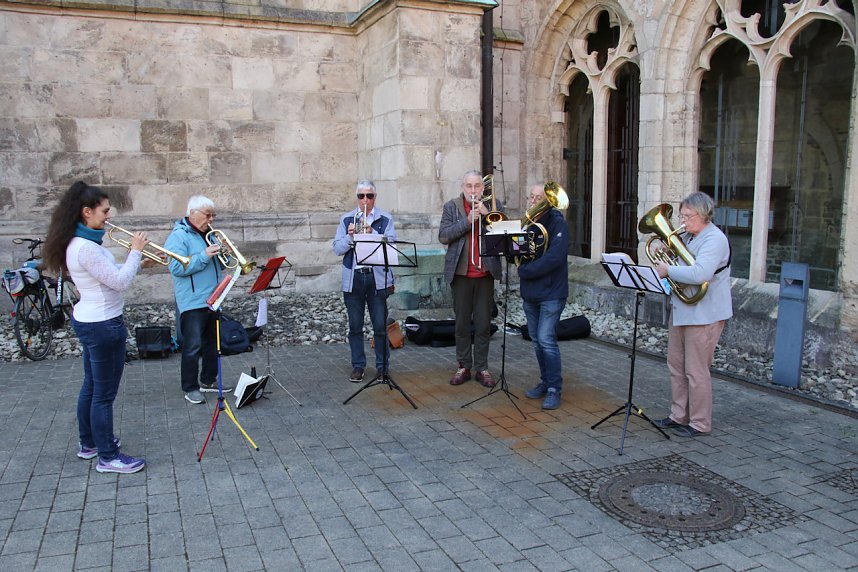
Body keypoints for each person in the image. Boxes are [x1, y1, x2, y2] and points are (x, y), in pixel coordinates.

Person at [42, 181, 150, 474]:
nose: (108, 217)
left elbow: (112, 277)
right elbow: (120, 282)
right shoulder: (85, 248)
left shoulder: (82, 243)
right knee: (103, 394)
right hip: (102, 324)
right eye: (104, 211)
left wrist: (138, 260)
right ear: (86, 212)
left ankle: (89, 443)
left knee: (92, 387)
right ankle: (108, 456)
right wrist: (137, 252)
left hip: (94, 321)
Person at [654, 191, 732, 437]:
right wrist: (663, 252)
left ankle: (699, 423)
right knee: (676, 365)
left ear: (703, 215)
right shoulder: (688, 235)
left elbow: (700, 274)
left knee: (696, 370)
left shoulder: (714, 239)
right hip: (682, 309)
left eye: (687, 216)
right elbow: (680, 266)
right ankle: (679, 416)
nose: (682, 221)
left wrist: (668, 269)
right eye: (682, 215)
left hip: (704, 314)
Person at [164, 196, 233, 404]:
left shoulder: (210, 235)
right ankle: (190, 387)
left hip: (213, 298)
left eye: (213, 215)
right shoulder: (178, 237)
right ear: (191, 213)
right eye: (207, 215)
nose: (211, 219)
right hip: (193, 301)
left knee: (213, 343)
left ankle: (208, 380)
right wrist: (204, 255)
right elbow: (176, 268)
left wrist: (226, 255)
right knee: (192, 346)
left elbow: (219, 265)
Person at [438, 170, 503, 387]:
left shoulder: (494, 206)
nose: (473, 190)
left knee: (484, 324)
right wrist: (467, 221)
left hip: (485, 273)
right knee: (462, 324)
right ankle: (464, 365)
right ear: (463, 187)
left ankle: (482, 368)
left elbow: (504, 234)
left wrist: (486, 216)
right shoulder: (452, 206)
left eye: (477, 186)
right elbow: (444, 236)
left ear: (483, 188)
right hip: (461, 274)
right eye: (469, 186)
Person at [332, 181, 397, 382]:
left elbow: (392, 245)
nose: (365, 200)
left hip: (376, 278)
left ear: (375, 197)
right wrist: (350, 238)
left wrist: (373, 234)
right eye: (361, 196)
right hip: (354, 278)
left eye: (369, 196)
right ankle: (358, 366)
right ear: (357, 198)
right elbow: (336, 248)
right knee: (355, 326)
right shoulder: (346, 219)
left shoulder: (385, 218)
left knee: (379, 325)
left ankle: (382, 367)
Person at [519, 183, 570, 410]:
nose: (533, 200)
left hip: (551, 292)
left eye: (538, 197)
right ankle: (545, 380)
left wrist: (526, 270)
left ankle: (554, 389)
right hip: (530, 292)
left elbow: (554, 258)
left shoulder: (558, 223)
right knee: (537, 341)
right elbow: (520, 253)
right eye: (531, 196)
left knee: (547, 340)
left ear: (547, 201)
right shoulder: (528, 224)